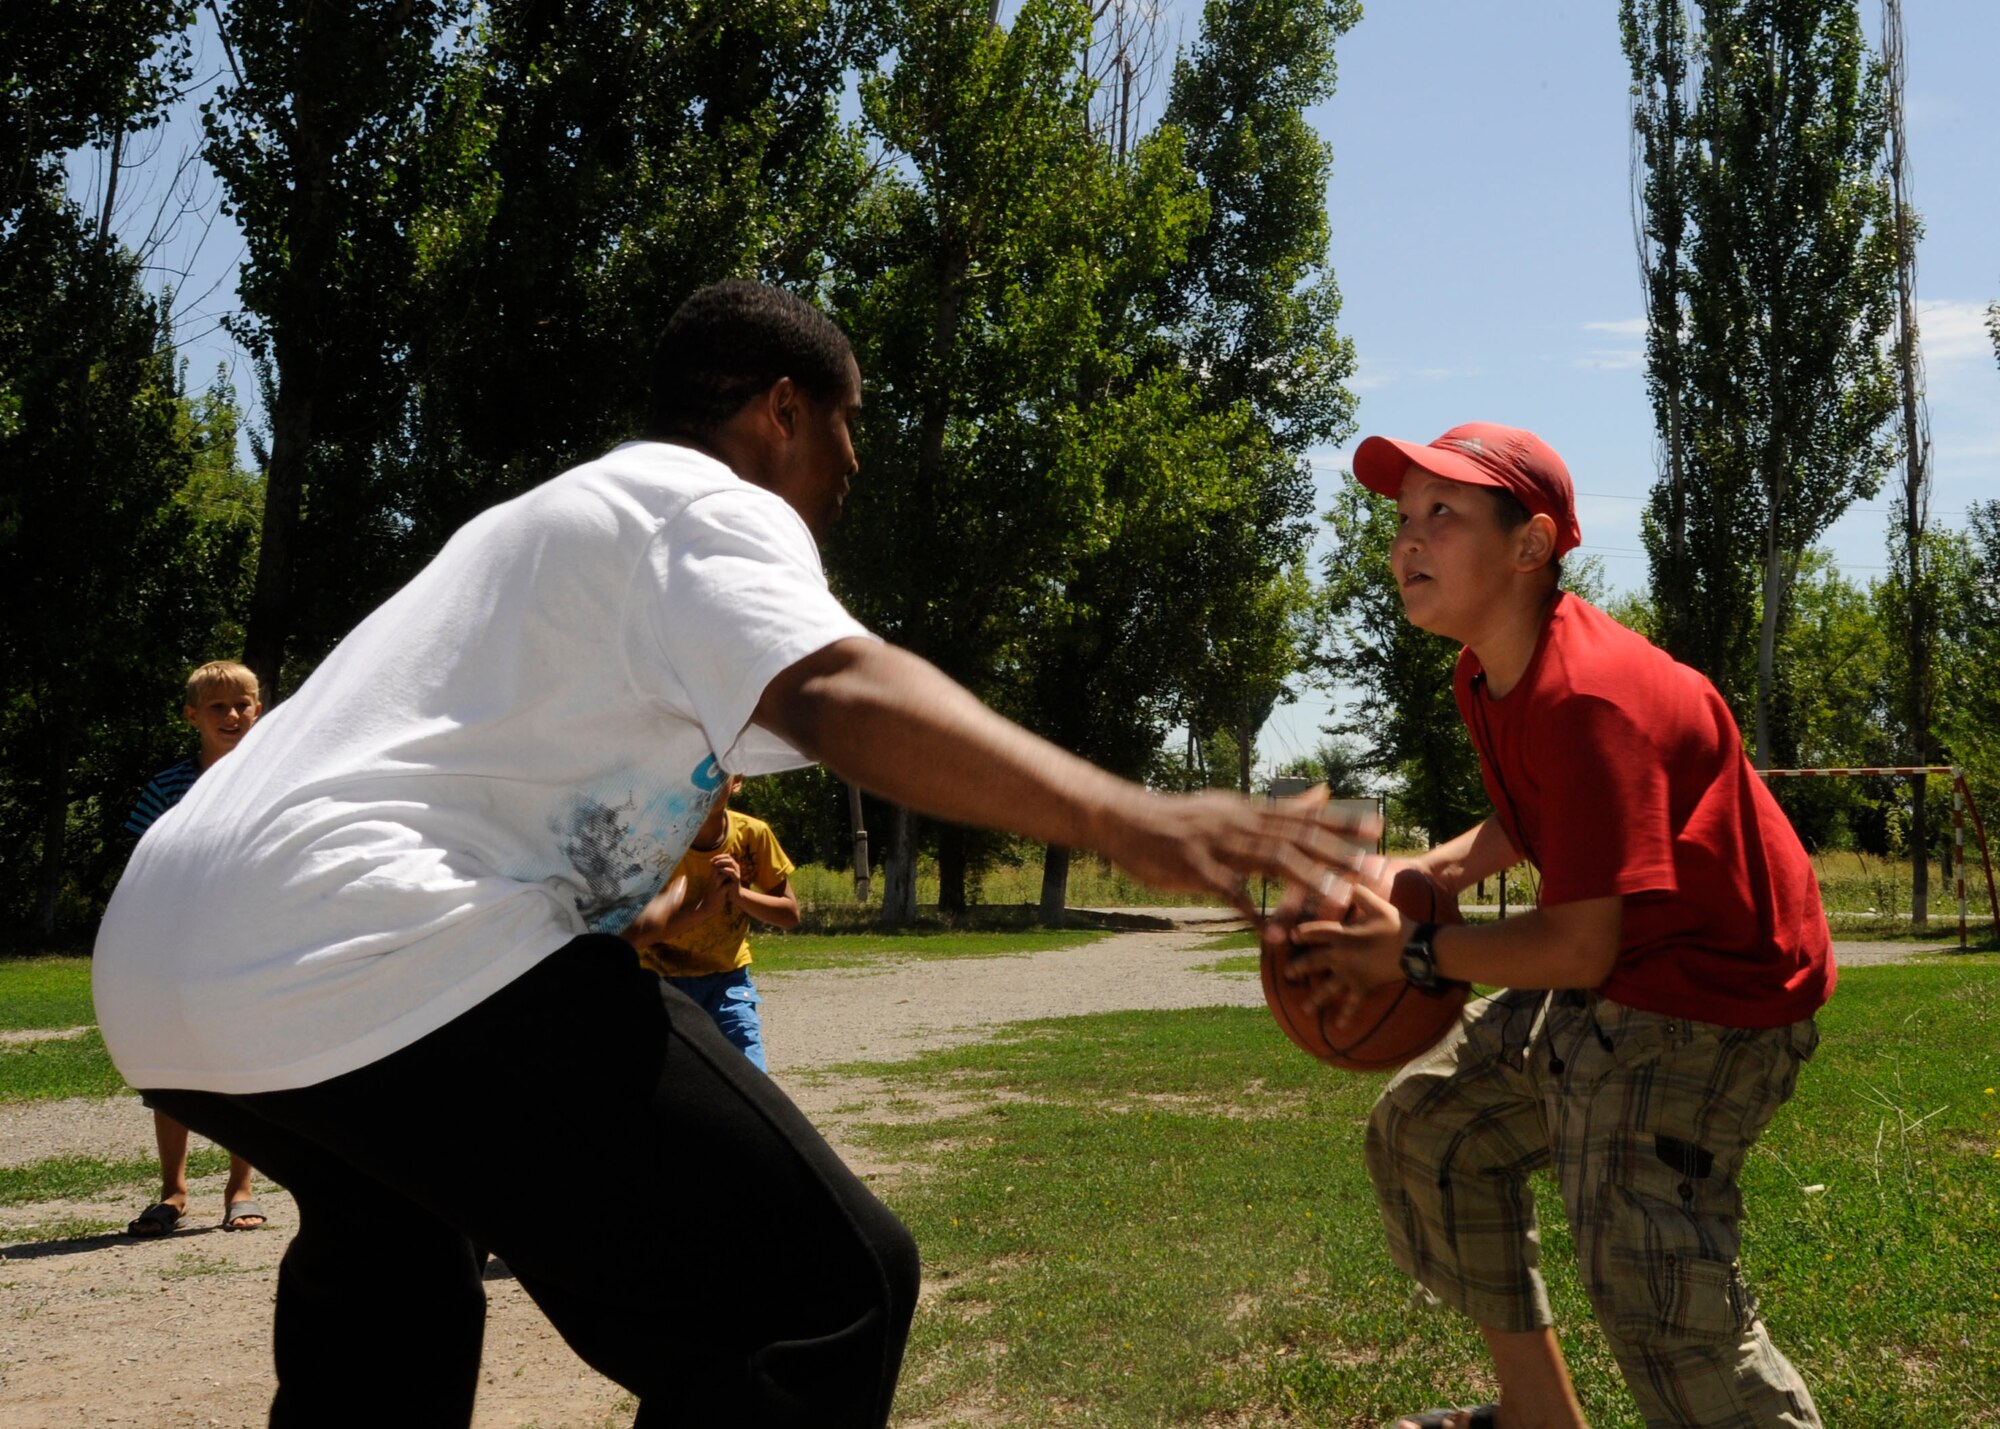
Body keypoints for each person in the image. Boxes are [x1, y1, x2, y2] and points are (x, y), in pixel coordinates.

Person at [93, 280, 1373, 1428]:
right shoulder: (696, 499)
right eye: (847, 421)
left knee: (395, 1268)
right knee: (821, 1293)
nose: (852, 461)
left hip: (167, 963)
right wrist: (1128, 816)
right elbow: (836, 685)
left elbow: (508, 777)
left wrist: (630, 903)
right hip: (365, 942)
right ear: (780, 411)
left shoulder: (548, 531)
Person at [1276, 423, 1831, 1429]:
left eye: (1440, 513)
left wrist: (1406, 950)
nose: (1406, 539)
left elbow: (1578, 942)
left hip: (1711, 1004)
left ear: (1530, 546)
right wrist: (1427, 867)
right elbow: (1540, 815)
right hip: (1624, 979)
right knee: (1431, 1134)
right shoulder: (1491, 674)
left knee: (1653, 1285)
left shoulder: (1590, 695)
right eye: (1401, 517)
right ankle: (1537, 1417)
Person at [122, 660, 269, 1237]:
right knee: (172, 1066)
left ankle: (242, 1188)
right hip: (176, 948)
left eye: (244, 704)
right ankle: (174, 1192)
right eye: (218, 707)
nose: (233, 715)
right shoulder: (166, 787)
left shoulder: (277, 780)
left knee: (243, 1064)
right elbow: (141, 866)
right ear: (191, 716)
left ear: (260, 708)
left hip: (252, 944)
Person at [622, 773, 796, 1070]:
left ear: (737, 780)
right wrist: (705, 909)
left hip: (728, 981)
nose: (709, 781)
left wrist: (738, 895)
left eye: (720, 771)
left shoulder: (754, 835)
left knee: (750, 1077)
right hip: (661, 980)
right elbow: (633, 934)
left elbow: (789, 915)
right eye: (700, 771)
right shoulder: (655, 839)